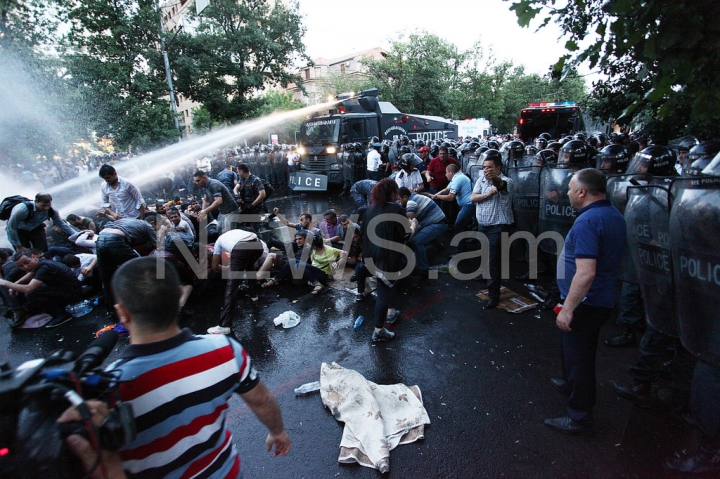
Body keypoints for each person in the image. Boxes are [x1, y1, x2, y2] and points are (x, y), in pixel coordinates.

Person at [60, 257, 291, 479]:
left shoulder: (105, 389)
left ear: (122, 313)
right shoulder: (225, 350)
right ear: (180, 296)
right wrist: (277, 431)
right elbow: (262, 400)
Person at [544, 168, 626, 434]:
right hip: (597, 298)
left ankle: (579, 415)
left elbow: (586, 272)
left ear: (582, 191)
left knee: (580, 356)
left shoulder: (588, 221)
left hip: (586, 302)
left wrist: (568, 308)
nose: (567, 192)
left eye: (570, 187)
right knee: (572, 350)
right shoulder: (611, 213)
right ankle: (570, 383)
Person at [362, 178, 416, 342]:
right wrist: (413, 225)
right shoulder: (396, 209)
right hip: (388, 258)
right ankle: (378, 330)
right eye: (396, 193)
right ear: (392, 193)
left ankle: (391, 312)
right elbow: (406, 236)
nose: (397, 196)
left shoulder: (370, 209)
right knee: (383, 292)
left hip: (372, 256)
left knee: (389, 285)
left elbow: (364, 232)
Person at [470, 150, 514, 308]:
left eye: (489, 167)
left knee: (493, 261)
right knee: (486, 256)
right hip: (484, 226)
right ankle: (487, 281)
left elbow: (500, 185)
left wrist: (493, 180)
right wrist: (488, 194)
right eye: (484, 167)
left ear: (498, 169)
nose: (485, 170)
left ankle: (493, 296)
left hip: (498, 227)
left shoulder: (506, 181)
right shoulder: (481, 180)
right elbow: (473, 198)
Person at [0, 250, 83, 328]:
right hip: (63, 289)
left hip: (72, 294)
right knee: (29, 289)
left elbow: (29, 289)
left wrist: (5, 283)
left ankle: (61, 315)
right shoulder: (40, 262)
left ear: (33, 257)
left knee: (31, 294)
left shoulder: (45, 267)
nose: (25, 267)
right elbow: (31, 274)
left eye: (26, 262)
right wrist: (15, 284)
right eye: (20, 266)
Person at [206, 228, 265, 335]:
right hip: (258, 244)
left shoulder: (219, 241)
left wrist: (226, 269)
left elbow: (214, 266)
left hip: (242, 247)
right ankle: (254, 295)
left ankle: (224, 325)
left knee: (232, 285)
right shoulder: (235, 232)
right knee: (249, 265)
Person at [96, 218, 158, 315]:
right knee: (141, 270)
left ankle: (112, 310)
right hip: (116, 239)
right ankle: (150, 304)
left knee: (107, 277)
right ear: (152, 223)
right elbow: (157, 245)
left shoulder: (129, 222)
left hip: (101, 239)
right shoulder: (148, 226)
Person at [262, 233, 346, 295]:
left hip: (324, 275)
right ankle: (275, 280)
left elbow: (344, 253)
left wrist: (338, 263)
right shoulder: (314, 250)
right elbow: (312, 261)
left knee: (298, 265)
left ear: (315, 244)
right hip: (314, 271)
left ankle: (318, 284)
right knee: (292, 262)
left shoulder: (329, 250)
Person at [398, 187, 446, 277]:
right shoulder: (414, 197)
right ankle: (438, 244)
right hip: (433, 221)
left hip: (437, 224)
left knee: (416, 241)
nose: (399, 202)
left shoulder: (411, 202)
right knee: (418, 233)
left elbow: (409, 219)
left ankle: (423, 268)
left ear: (405, 197)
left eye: (399, 199)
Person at [6, 193, 77, 252]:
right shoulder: (21, 210)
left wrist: (76, 234)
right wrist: (18, 245)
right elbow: (11, 228)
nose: (46, 208)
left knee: (43, 252)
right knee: (24, 253)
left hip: (36, 228)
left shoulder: (52, 210)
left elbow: (61, 224)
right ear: (36, 202)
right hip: (20, 230)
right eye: (43, 206)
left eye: (48, 206)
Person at [432, 164, 474, 252]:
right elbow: (447, 189)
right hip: (466, 205)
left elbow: (450, 197)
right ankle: (464, 247)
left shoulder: (458, 179)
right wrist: (435, 195)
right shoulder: (456, 178)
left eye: (446, 173)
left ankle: (460, 251)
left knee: (458, 226)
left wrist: (437, 197)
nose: (445, 175)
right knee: (463, 226)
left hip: (468, 205)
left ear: (451, 172)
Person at [193, 168, 242, 235]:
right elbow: (206, 200)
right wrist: (203, 213)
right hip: (223, 212)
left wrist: (205, 211)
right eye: (195, 181)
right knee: (219, 229)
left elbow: (219, 201)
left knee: (228, 234)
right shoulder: (205, 187)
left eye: (198, 180)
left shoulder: (213, 184)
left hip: (231, 212)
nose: (197, 183)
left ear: (204, 177)